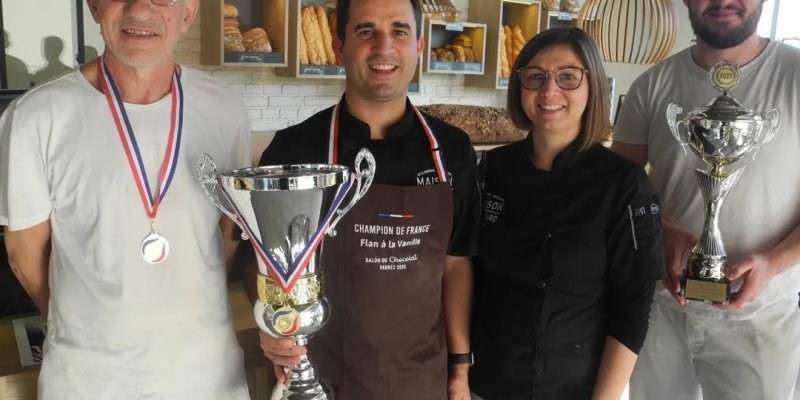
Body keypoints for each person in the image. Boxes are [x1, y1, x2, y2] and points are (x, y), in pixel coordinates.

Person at [0, 0, 251, 398]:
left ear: (188, 12)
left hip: (208, 379)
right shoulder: (35, 116)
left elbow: (227, 235)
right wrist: (83, 327)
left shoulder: (226, 111)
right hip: (87, 383)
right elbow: (23, 251)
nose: (139, 10)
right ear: (95, 6)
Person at [248, 0, 480, 399]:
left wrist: (460, 367)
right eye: (366, 31)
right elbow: (261, 267)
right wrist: (273, 330)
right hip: (322, 380)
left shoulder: (454, 151)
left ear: (419, 45)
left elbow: (456, 265)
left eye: (399, 32)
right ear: (340, 47)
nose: (383, 47)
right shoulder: (293, 149)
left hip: (420, 379)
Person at [612, 0, 800, 398]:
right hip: (661, 309)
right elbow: (616, 191)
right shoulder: (652, 84)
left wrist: (773, 262)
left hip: (760, 319)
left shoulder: (795, 76)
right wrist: (658, 231)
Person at [469, 27, 665, 400]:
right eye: (536, 77)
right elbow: (468, 277)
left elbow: (634, 307)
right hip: (487, 384)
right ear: (520, 86)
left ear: (592, 86)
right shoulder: (492, 170)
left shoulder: (623, 183)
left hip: (574, 387)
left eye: (568, 77)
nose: (549, 91)